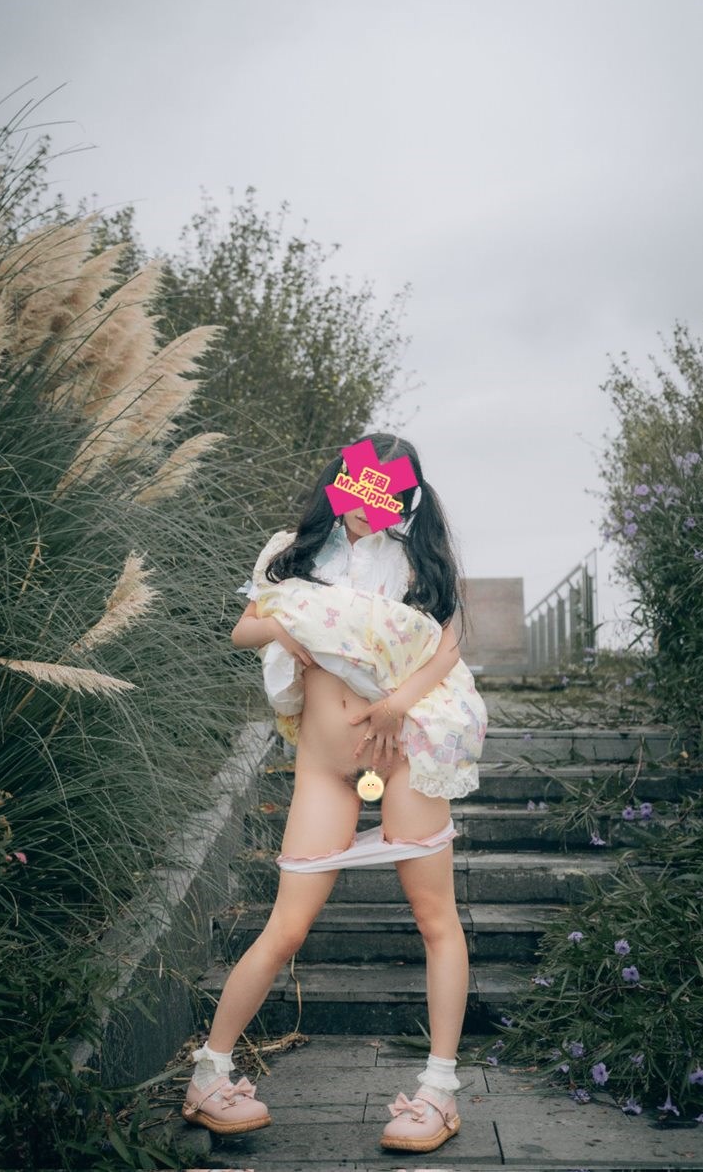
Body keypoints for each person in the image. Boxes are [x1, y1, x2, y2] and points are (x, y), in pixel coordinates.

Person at [182, 433, 488, 1154]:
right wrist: (297, 622)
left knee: (435, 917)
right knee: (286, 927)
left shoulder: (417, 561)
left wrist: (394, 706)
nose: (369, 503)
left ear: (404, 499)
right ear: (342, 481)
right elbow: (245, 627)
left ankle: (439, 1090)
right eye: (361, 484)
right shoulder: (293, 551)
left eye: (388, 492)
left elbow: (448, 645)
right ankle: (209, 1073)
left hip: (405, 752)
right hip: (325, 766)